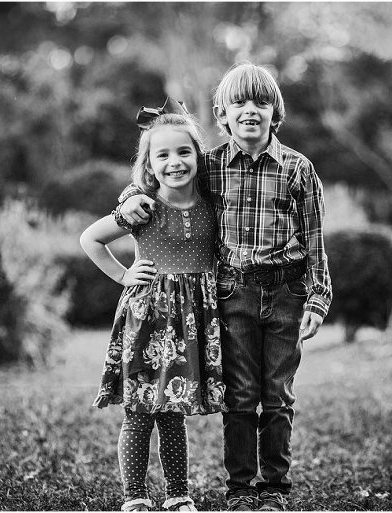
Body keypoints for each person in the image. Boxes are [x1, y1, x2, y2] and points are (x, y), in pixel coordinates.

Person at [117, 63, 332, 511]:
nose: (250, 110)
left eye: (261, 102)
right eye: (239, 103)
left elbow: (315, 243)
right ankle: (239, 487)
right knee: (240, 396)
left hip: (288, 293)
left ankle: (273, 486)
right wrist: (128, 200)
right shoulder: (209, 165)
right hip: (231, 293)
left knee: (276, 396)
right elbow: (159, 182)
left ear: (276, 112)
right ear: (222, 114)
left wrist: (318, 297)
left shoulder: (298, 169)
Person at [79, 100, 227, 512]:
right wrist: (124, 275)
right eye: (162, 155)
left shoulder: (213, 204)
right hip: (148, 319)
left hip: (192, 321)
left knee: (172, 409)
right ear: (148, 164)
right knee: (141, 409)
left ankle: (178, 494)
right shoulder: (141, 206)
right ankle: (135, 497)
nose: (174, 162)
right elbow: (91, 239)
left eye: (184, 152)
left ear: (198, 156)